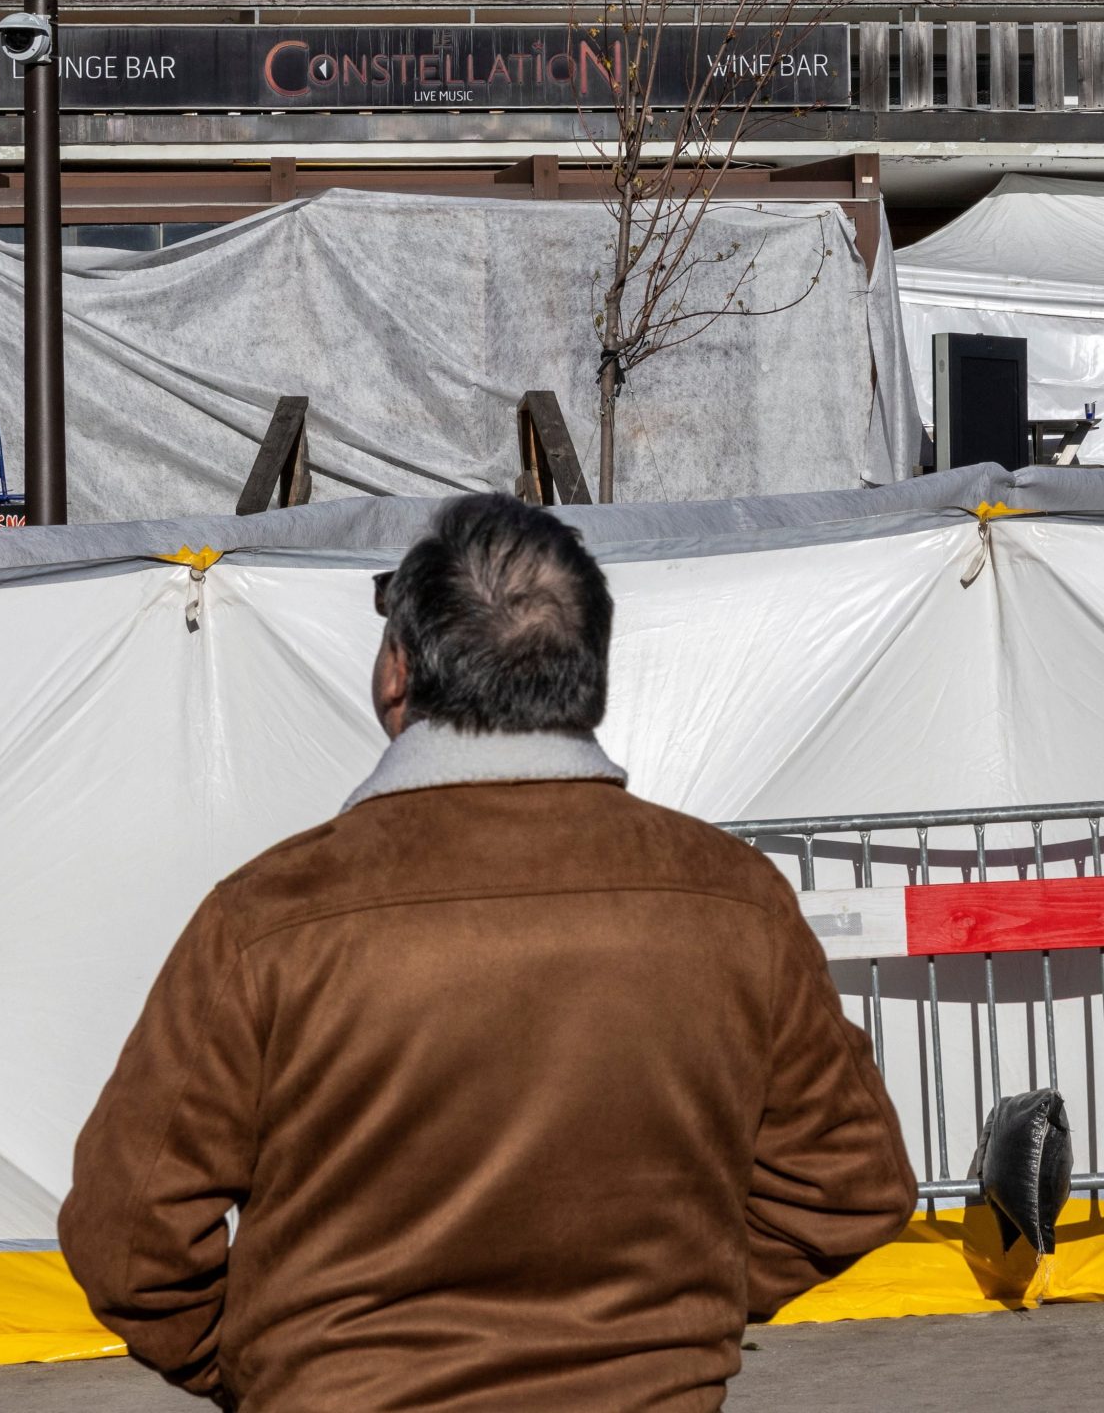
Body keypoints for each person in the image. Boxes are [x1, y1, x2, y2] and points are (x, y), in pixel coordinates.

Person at [59, 492, 915, 1411]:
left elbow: (131, 1238)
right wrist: (667, 1322)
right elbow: (848, 1184)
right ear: (590, 677)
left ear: (396, 672)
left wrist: (275, 1369)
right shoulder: (736, 900)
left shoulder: (270, 915)